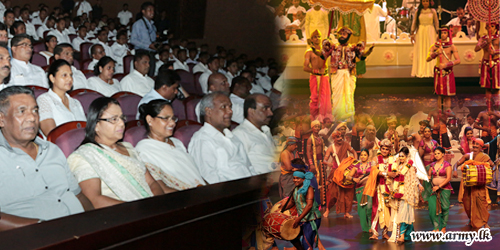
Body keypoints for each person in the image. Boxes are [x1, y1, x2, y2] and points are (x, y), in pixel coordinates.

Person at [0, 86, 93, 230]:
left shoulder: (52, 149)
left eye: (35, 111)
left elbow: (78, 195)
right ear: (1, 119)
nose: (32, 118)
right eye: (22, 111)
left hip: (80, 230)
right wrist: (40, 228)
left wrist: (97, 222)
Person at [68, 97, 164, 209]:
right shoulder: (85, 156)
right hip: (121, 216)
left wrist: (158, 204)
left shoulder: (129, 148)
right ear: (96, 125)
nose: (122, 124)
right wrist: (138, 209)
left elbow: (152, 183)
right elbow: (93, 199)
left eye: (122, 118)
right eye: (114, 119)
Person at [188, 92, 256, 184]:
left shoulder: (232, 137)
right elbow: (209, 179)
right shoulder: (202, 140)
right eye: (224, 107)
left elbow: (249, 167)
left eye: (230, 107)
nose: (230, 111)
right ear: (209, 112)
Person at [136, 100, 205, 190]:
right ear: (150, 120)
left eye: (173, 118)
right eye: (166, 118)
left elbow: (195, 174)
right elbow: (161, 188)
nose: (172, 123)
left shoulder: (177, 142)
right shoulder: (144, 150)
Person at [322, 26, 370, 120]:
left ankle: (348, 117)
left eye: (344, 34)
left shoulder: (353, 48)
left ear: (348, 36)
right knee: (336, 96)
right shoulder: (334, 47)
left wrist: (368, 52)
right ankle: (337, 117)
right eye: (341, 34)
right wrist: (315, 50)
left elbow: (362, 57)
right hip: (337, 74)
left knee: (349, 95)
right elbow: (323, 55)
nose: (342, 36)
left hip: (349, 74)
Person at [37, 60, 86, 136]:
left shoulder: (76, 102)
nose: (70, 79)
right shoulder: (44, 100)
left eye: (70, 75)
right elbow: (51, 134)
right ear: (52, 78)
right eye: (64, 75)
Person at [455, 138, 495, 229]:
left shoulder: (485, 157)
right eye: (474, 144)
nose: (475, 146)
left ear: (481, 147)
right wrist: (454, 170)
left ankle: (485, 223)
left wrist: (487, 173)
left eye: (477, 144)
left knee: (482, 204)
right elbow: (457, 163)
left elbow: (492, 166)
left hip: (479, 186)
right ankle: (471, 219)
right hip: (469, 185)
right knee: (467, 204)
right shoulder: (468, 156)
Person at [232, 94, 276, 174]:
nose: (270, 113)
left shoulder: (265, 130)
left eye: (270, 109)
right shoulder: (240, 134)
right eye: (265, 108)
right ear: (251, 111)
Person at [387, 147, 423, 244]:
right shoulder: (396, 167)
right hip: (397, 193)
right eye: (400, 156)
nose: (401, 158)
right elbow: (391, 178)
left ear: (407, 156)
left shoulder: (410, 167)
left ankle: (402, 236)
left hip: (407, 194)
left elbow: (414, 178)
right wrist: (395, 174)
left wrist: (419, 184)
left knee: (404, 214)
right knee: (405, 214)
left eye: (403, 156)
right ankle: (409, 235)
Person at [362, 139, 396, 240]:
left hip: (389, 188)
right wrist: (387, 173)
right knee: (376, 209)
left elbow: (397, 170)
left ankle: (385, 232)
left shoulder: (393, 159)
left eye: (386, 149)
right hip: (378, 188)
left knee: (388, 210)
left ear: (390, 150)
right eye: (382, 148)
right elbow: (374, 172)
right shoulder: (375, 159)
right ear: (380, 149)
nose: (384, 150)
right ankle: (375, 233)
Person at [279, 170, 322, 250]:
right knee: (291, 235)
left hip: (312, 219)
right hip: (302, 219)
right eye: (294, 178)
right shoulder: (295, 189)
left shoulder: (309, 189)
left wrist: (299, 218)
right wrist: (281, 209)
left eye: (298, 178)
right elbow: (291, 202)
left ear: (303, 179)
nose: (295, 180)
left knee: (306, 243)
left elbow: (309, 205)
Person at [323, 130, 358, 218]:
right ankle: (327, 209)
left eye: (341, 136)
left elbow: (354, 152)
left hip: (346, 171)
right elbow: (324, 160)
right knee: (332, 192)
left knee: (348, 192)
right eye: (338, 137)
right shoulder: (331, 148)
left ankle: (347, 212)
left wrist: (355, 162)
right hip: (335, 172)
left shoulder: (346, 144)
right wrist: (329, 164)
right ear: (334, 139)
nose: (340, 138)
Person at [426, 26, 461, 110]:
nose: (443, 34)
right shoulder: (434, 46)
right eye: (441, 33)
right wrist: (436, 53)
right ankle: (439, 112)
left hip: (448, 72)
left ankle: (447, 112)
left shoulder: (452, 46)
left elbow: (458, 60)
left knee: (448, 95)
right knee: (440, 95)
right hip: (439, 72)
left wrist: (446, 65)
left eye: (445, 33)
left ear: (448, 34)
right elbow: (428, 59)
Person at [304, 29, 331, 121]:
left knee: (325, 98)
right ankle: (314, 118)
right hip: (314, 77)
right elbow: (305, 67)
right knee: (315, 98)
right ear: (311, 39)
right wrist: (315, 71)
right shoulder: (309, 52)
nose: (317, 38)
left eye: (319, 36)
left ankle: (324, 118)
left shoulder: (325, 51)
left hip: (324, 77)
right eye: (315, 37)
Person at [425, 147, 453, 233]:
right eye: (435, 153)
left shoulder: (447, 165)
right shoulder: (432, 165)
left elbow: (448, 178)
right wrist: (428, 177)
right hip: (434, 189)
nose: (436, 155)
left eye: (438, 153)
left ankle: (443, 227)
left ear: (443, 154)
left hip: (445, 189)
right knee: (433, 208)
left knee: (444, 207)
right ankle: (436, 227)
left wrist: (439, 186)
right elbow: (429, 177)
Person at [410, 0, 439, 78]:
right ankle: (421, 70)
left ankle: (431, 70)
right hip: (421, 31)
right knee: (421, 50)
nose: (425, 3)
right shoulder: (418, 11)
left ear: (429, 2)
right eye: (423, 1)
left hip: (430, 31)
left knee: (430, 49)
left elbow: (436, 23)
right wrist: (412, 33)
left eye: (426, 1)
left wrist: (438, 33)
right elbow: (414, 22)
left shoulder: (433, 11)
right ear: (421, 2)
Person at [130, 2, 157, 76]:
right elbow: (133, 40)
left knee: (150, 76)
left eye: (153, 10)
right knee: (140, 76)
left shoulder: (153, 25)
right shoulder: (138, 24)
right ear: (143, 11)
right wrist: (148, 46)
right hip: (141, 53)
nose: (152, 12)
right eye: (150, 10)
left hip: (151, 53)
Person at [474, 22, 499, 103]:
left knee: (497, 87)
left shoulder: (499, 38)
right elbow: (476, 49)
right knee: (487, 87)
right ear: (486, 28)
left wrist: (495, 52)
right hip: (485, 63)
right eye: (488, 26)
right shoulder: (482, 38)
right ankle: (488, 106)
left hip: (496, 64)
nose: (490, 28)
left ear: (496, 28)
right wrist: (485, 43)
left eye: (492, 26)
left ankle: (497, 106)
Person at [353, 149, 373, 233]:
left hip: (369, 188)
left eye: (365, 155)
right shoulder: (356, 166)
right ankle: (365, 228)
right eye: (361, 155)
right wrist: (354, 178)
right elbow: (348, 176)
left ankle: (371, 226)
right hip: (359, 189)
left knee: (369, 208)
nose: (363, 156)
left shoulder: (372, 165)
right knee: (362, 209)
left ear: (368, 156)